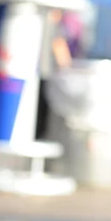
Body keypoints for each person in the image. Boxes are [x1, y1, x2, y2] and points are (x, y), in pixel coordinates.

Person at [35, 8, 74, 140]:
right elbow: (60, 49)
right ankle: (39, 136)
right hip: (45, 72)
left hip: (32, 71)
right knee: (42, 108)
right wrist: (68, 68)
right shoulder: (54, 26)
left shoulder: (37, 20)